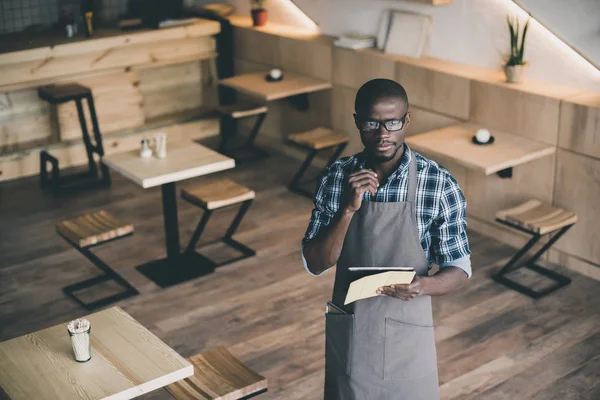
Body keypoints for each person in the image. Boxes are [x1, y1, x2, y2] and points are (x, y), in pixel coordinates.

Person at [301, 78, 471, 400]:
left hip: (409, 334)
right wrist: (347, 211)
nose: (383, 134)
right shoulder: (336, 177)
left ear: (406, 120)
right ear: (357, 123)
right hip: (353, 331)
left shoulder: (438, 184)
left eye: (393, 122)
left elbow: (459, 268)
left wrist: (422, 286)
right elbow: (315, 262)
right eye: (372, 123)